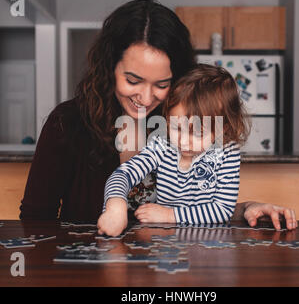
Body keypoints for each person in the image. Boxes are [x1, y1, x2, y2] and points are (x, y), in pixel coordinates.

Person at [19, 0, 297, 231]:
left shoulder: (186, 124)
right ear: (109, 68)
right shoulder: (67, 122)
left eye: (162, 85)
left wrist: (247, 209)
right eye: (132, 80)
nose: (146, 97)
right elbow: (35, 222)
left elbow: (194, 207)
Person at [98, 64, 249, 236]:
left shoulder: (227, 153)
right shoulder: (162, 144)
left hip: (209, 247)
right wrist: (115, 205)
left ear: (223, 129)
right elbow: (123, 174)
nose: (184, 141)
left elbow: (222, 210)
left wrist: (170, 215)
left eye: (197, 133)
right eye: (176, 127)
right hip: (167, 245)